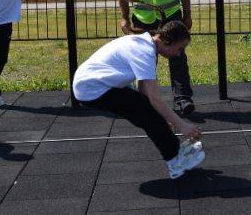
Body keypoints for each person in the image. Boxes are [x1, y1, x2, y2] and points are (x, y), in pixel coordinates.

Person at [72, 21, 205, 179]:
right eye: (180, 48)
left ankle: (174, 152)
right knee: (147, 114)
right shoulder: (143, 52)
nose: (179, 54)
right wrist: (181, 125)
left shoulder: (146, 44)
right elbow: (155, 100)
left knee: (147, 113)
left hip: (94, 84)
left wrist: (161, 121)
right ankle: (175, 162)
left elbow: (144, 93)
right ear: (168, 41)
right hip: (90, 89)